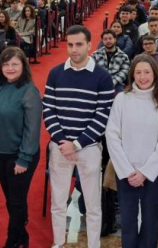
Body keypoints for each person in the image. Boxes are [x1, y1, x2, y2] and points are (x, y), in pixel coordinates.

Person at [43, 25, 114, 248]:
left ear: (89, 45)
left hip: (89, 147)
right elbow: (48, 110)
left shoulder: (103, 77)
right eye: (70, 44)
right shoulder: (55, 73)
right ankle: (58, 243)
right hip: (60, 146)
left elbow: (102, 116)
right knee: (58, 202)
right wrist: (63, 141)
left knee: (93, 206)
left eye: (79, 44)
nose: (74, 50)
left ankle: (93, 245)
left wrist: (77, 143)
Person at [106, 54, 158, 248]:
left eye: (146, 72)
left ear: (155, 73)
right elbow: (112, 135)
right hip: (125, 172)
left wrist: (145, 172)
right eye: (138, 72)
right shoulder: (122, 99)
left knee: (150, 220)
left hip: (153, 174)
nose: (142, 77)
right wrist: (128, 170)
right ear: (132, 75)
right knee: (128, 221)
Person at [0, 47, 42, 248]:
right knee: (10, 199)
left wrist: (23, 158)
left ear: (23, 66)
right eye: (6, 64)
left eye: (14, 64)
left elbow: (32, 130)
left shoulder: (29, 91)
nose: (10, 68)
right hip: (0, 151)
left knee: (16, 201)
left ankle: (12, 240)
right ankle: (22, 235)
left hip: (20, 155)